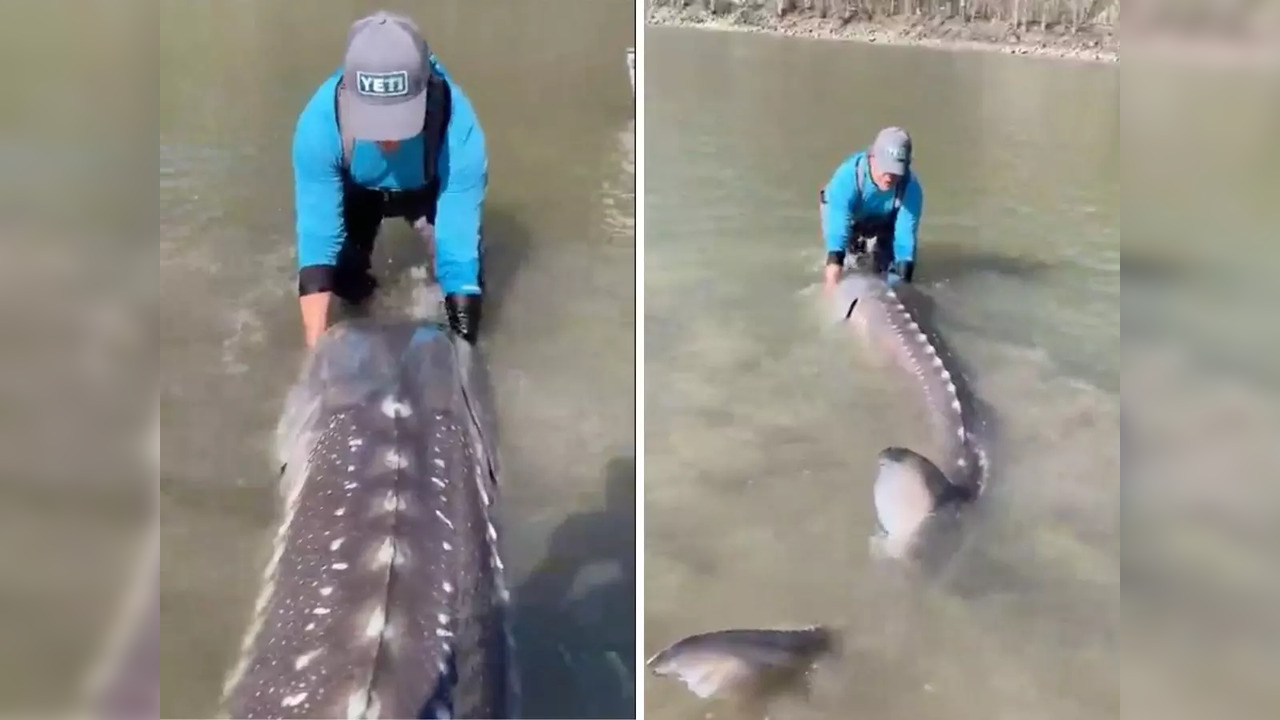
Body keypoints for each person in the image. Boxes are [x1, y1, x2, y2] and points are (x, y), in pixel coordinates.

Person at [291, 10, 488, 348]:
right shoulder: (318, 126)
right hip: (359, 189)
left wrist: (466, 347)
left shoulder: (460, 130)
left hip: (427, 190)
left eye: (399, 117)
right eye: (375, 119)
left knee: (462, 276)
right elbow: (317, 245)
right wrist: (316, 356)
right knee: (345, 284)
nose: (388, 138)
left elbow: (458, 251)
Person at [820, 126, 924, 292]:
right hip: (851, 217)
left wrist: (904, 284)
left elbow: (905, 240)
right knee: (851, 262)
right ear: (872, 157)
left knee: (885, 270)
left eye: (896, 171)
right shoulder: (847, 177)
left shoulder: (910, 188)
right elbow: (837, 233)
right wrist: (831, 285)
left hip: (886, 220)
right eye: (885, 167)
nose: (889, 176)